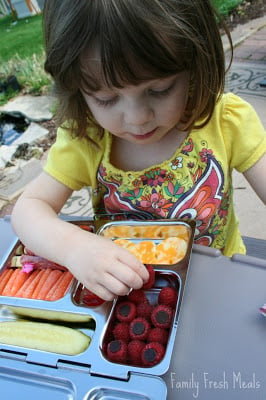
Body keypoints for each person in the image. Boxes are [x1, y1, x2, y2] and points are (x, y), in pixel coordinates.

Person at [11, 0, 266, 301]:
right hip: (131, 294)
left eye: (159, 90)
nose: (137, 118)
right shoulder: (88, 139)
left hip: (220, 282)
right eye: (106, 99)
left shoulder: (225, 121)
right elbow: (29, 209)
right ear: (77, 89)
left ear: (195, 63)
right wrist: (74, 248)